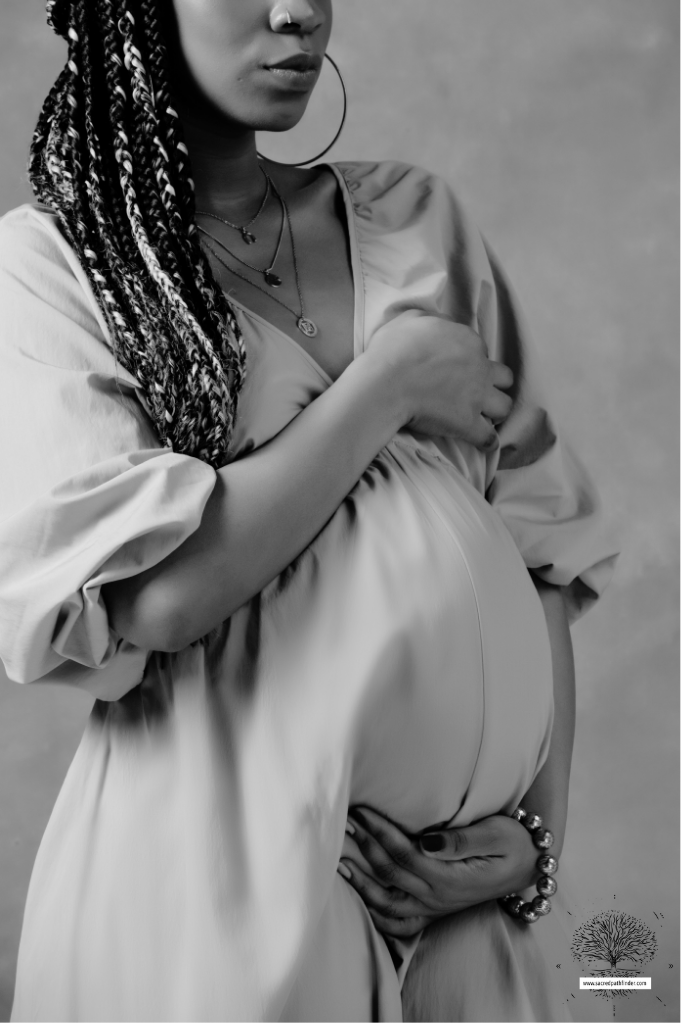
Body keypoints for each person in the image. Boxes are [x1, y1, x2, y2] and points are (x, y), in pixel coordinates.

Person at [0, 1, 617, 1020]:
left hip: (462, 922)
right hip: (222, 893)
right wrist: (385, 386)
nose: (296, 10)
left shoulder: (419, 219)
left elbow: (537, 549)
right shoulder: (56, 265)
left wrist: (526, 851)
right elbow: (156, 600)